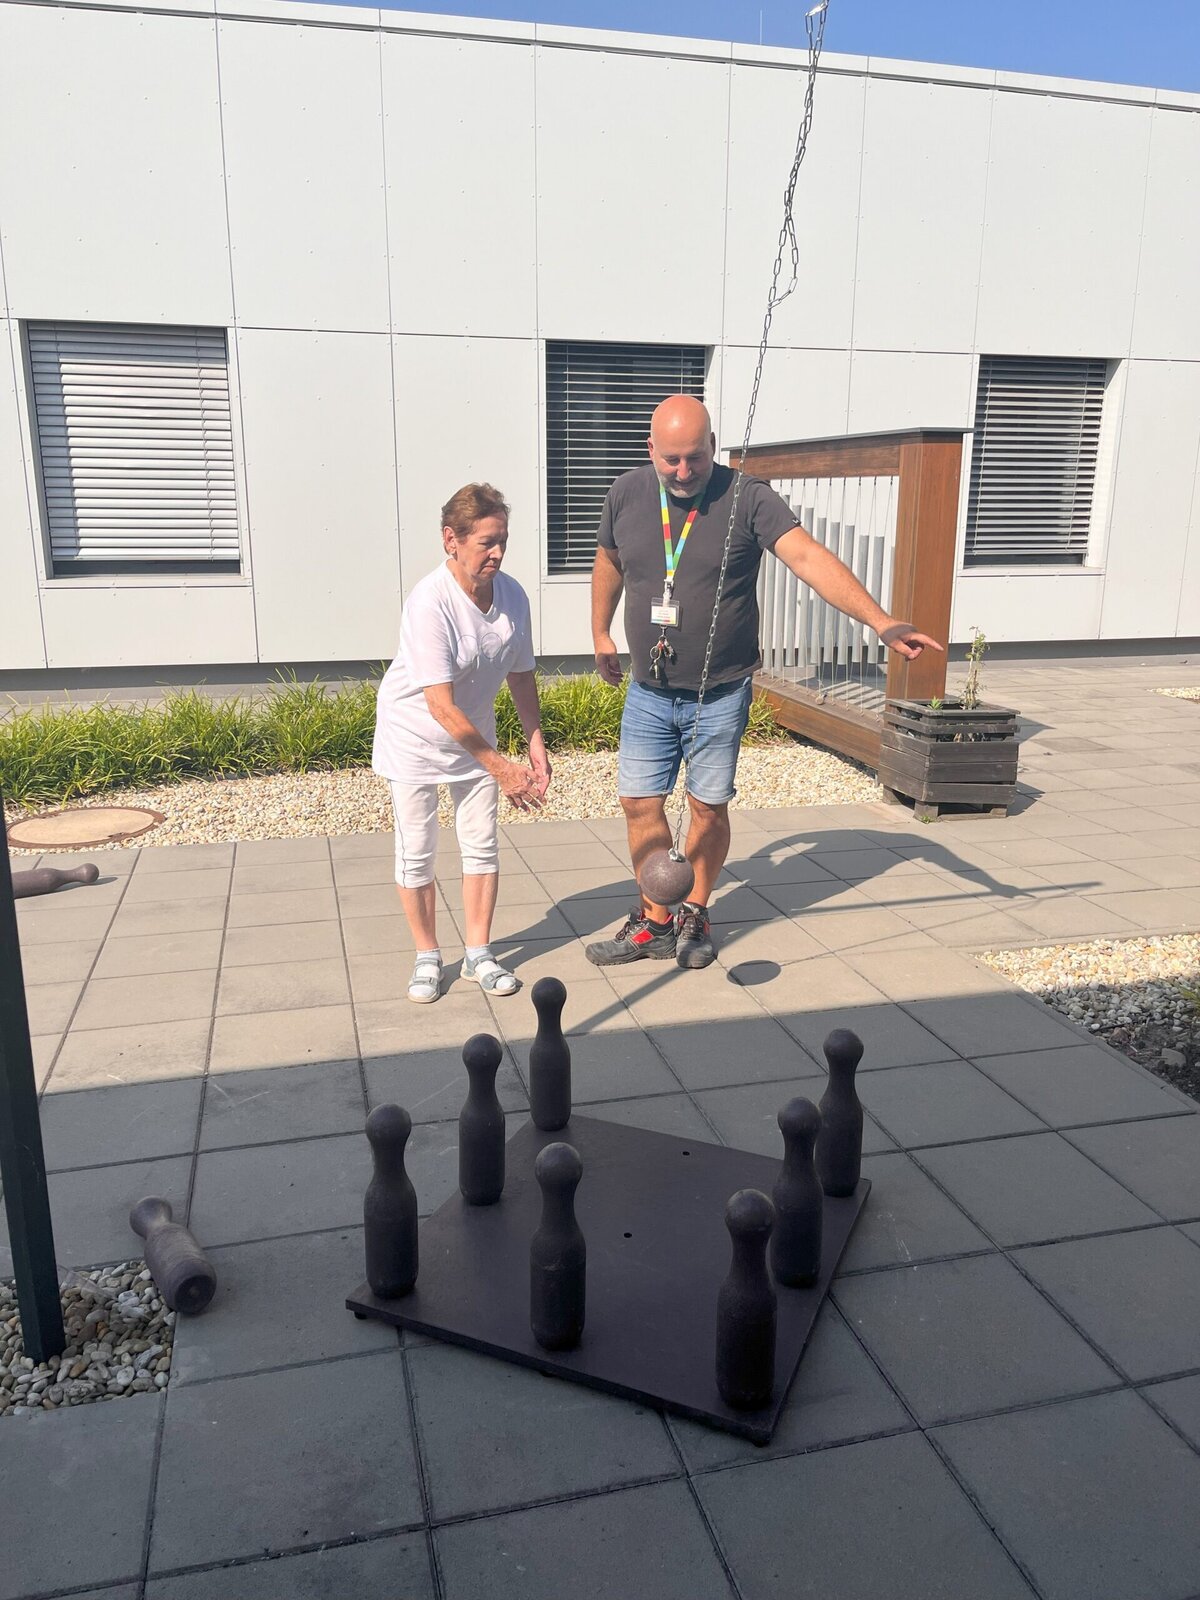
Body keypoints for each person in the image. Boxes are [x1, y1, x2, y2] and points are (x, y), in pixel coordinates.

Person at [586, 395, 941, 971]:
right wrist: (600, 632)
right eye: (671, 459)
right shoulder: (625, 493)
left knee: (707, 809)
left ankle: (695, 913)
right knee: (638, 803)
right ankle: (654, 922)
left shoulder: (748, 497)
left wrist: (881, 621)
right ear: (650, 449)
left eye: (695, 457)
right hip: (649, 690)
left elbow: (808, 558)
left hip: (721, 691)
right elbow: (609, 560)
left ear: (713, 445)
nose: (684, 471)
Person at [372, 483, 550, 1003]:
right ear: (452, 539)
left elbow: (521, 674)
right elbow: (439, 705)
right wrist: (502, 768)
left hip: (475, 737)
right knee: (417, 851)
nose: (497, 553)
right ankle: (427, 956)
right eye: (486, 542)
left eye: (503, 541)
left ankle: (478, 953)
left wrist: (535, 742)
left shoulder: (513, 596)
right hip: (415, 737)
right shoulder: (429, 602)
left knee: (481, 844)